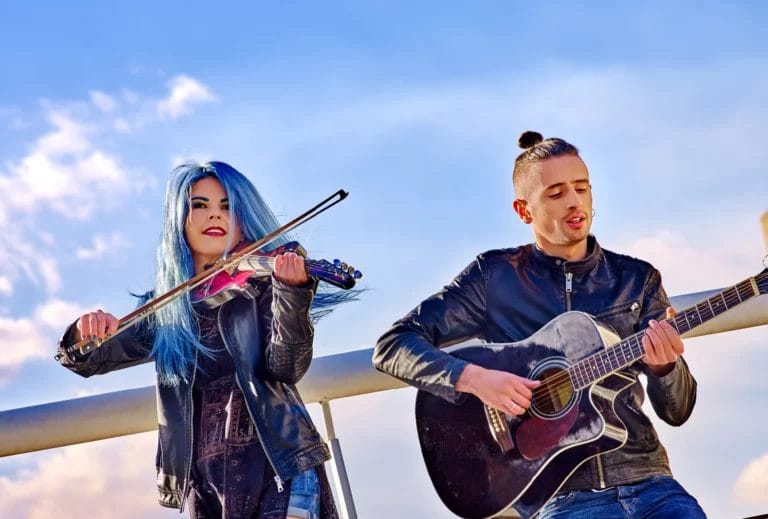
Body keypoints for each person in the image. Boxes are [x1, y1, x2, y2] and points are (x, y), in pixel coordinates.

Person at [373, 131, 706, 518]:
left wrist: (665, 367)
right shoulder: (493, 277)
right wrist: (475, 379)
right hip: (560, 498)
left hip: (651, 484)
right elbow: (393, 346)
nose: (575, 202)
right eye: (556, 193)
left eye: (582, 188)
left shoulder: (636, 278)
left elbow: (677, 411)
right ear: (523, 210)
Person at [57, 161, 345, 519]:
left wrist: (291, 292)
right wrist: (86, 331)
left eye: (227, 207)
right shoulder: (167, 310)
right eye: (200, 205)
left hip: (278, 468)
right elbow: (89, 358)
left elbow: (287, 367)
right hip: (206, 483)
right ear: (180, 217)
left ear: (244, 218)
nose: (215, 216)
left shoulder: (261, 287)